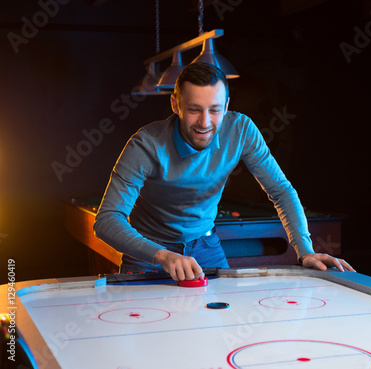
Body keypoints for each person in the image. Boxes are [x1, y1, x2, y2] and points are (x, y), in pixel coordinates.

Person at [94, 62, 355, 281]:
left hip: (206, 248)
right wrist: (162, 255)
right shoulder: (145, 144)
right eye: (194, 109)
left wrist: (305, 250)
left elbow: (281, 190)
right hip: (149, 252)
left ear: (227, 106)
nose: (205, 122)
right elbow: (107, 220)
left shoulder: (241, 131)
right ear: (176, 105)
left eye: (215, 110)